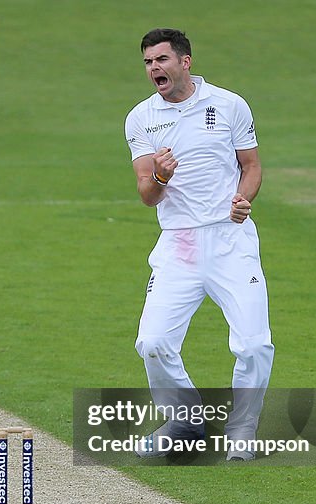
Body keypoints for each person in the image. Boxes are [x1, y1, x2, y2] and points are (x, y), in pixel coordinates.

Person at [124, 29, 274, 461]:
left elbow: (251, 165)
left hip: (230, 238)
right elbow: (146, 193)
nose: (154, 69)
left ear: (185, 62)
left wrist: (244, 198)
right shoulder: (141, 119)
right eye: (148, 63)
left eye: (162, 60)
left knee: (253, 344)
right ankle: (185, 420)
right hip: (180, 243)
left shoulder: (229, 105)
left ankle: (243, 430)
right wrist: (161, 176)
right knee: (152, 342)